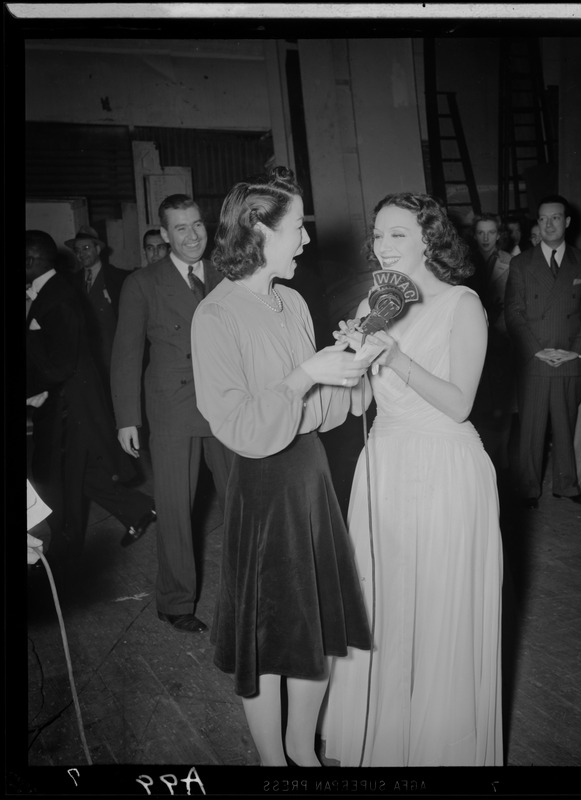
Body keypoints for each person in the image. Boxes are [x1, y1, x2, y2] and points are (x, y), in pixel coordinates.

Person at [190, 166, 372, 767]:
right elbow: (239, 426)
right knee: (269, 636)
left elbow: (319, 411)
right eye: (296, 227)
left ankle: (303, 753)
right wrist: (306, 374)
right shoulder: (214, 316)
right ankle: (274, 765)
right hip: (264, 488)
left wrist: (352, 363)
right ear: (258, 230)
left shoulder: (290, 299)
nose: (305, 239)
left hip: (309, 477)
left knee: (314, 626)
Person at [322, 192, 503, 767]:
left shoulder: (462, 304)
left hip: (445, 468)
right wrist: (349, 361)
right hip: (385, 466)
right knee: (384, 605)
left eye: (397, 234)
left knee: (437, 609)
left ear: (429, 238)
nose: (383, 246)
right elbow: (362, 404)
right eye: (377, 235)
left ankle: (437, 751)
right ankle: (384, 741)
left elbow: (458, 404)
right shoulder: (376, 301)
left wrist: (394, 357)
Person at [111, 194, 234, 635]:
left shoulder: (230, 272)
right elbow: (126, 353)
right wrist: (128, 417)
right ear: (164, 235)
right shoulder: (143, 282)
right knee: (176, 510)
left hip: (228, 403)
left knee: (241, 500)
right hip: (172, 408)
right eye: (180, 228)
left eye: (197, 224)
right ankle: (175, 602)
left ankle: (249, 593)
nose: (192, 235)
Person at [26, 230, 156, 564]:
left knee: (56, 481)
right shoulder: (50, 292)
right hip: (66, 401)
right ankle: (138, 510)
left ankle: (66, 557)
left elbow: (63, 362)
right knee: (79, 473)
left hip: (69, 405)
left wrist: (32, 389)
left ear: (31, 260)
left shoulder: (58, 295)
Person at [504, 194, 581, 508]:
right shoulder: (521, 263)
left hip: (570, 357)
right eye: (543, 218)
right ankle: (528, 487)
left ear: (567, 222)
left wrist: (576, 351)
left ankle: (567, 485)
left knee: (567, 423)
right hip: (535, 357)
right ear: (537, 224)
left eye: (556, 217)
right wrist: (536, 351)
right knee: (531, 425)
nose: (549, 224)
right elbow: (513, 312)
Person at [469, 214, 518, 472]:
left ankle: (503, 463)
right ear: (474, 235)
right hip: (473, 342)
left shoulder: (512, 263)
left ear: (499, 234)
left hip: (501, 343)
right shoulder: (464, 263)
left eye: (491, 233)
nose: (486, 238)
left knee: (503, 405)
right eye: (481, 233)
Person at [65, 225, 131, 380]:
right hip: (86, 358)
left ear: (98, 249)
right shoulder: (71, 281)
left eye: (86, 248)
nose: (81, 254)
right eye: (77, 250)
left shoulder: (119, 278)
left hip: (114, 354)